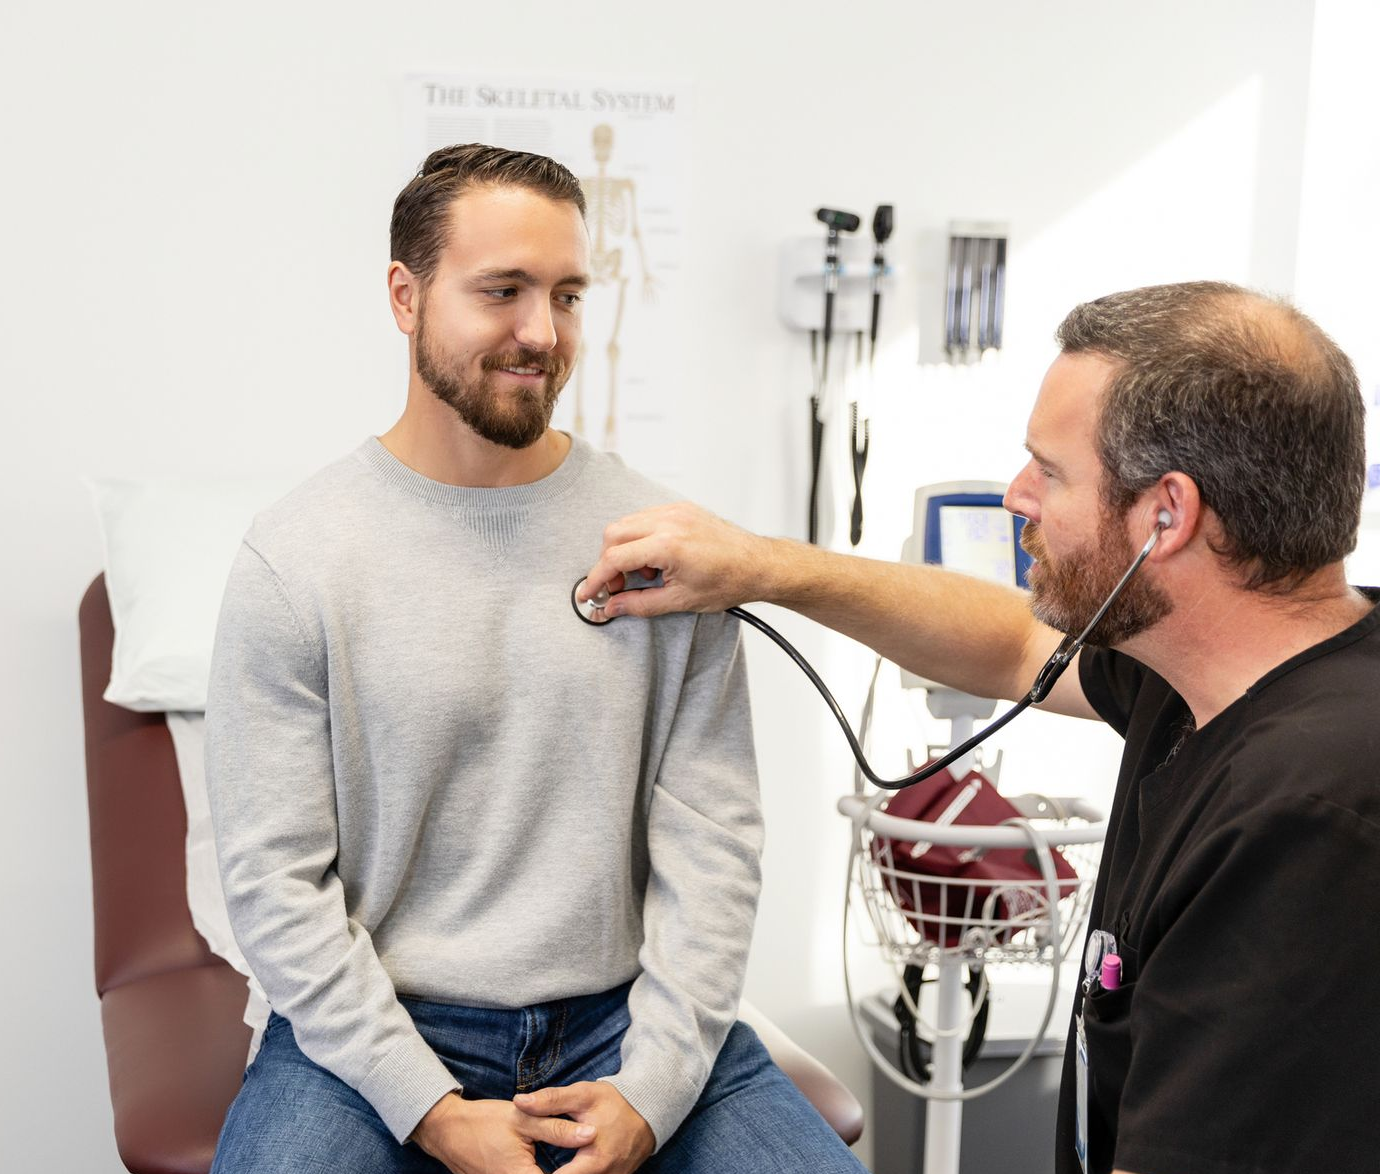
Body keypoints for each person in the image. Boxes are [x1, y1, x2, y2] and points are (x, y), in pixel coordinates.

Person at [579, 281, 1380, 1174]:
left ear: (1167, 515)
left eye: (1051, 469)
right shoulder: (1215, 665)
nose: (1015, 495)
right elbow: (1012, 642)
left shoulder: (1309, 820)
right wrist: (759, 566)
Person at [205, 143, 867, 1174]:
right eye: (502, 291)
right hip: (376, 1028)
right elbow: (274, 882)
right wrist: (430, 1108)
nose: (542, 333)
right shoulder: (298, 559)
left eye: (565, 294)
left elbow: (715, 846)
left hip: (620, 1018)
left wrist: (647, 1094)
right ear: (405, 295)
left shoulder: (661, 550)